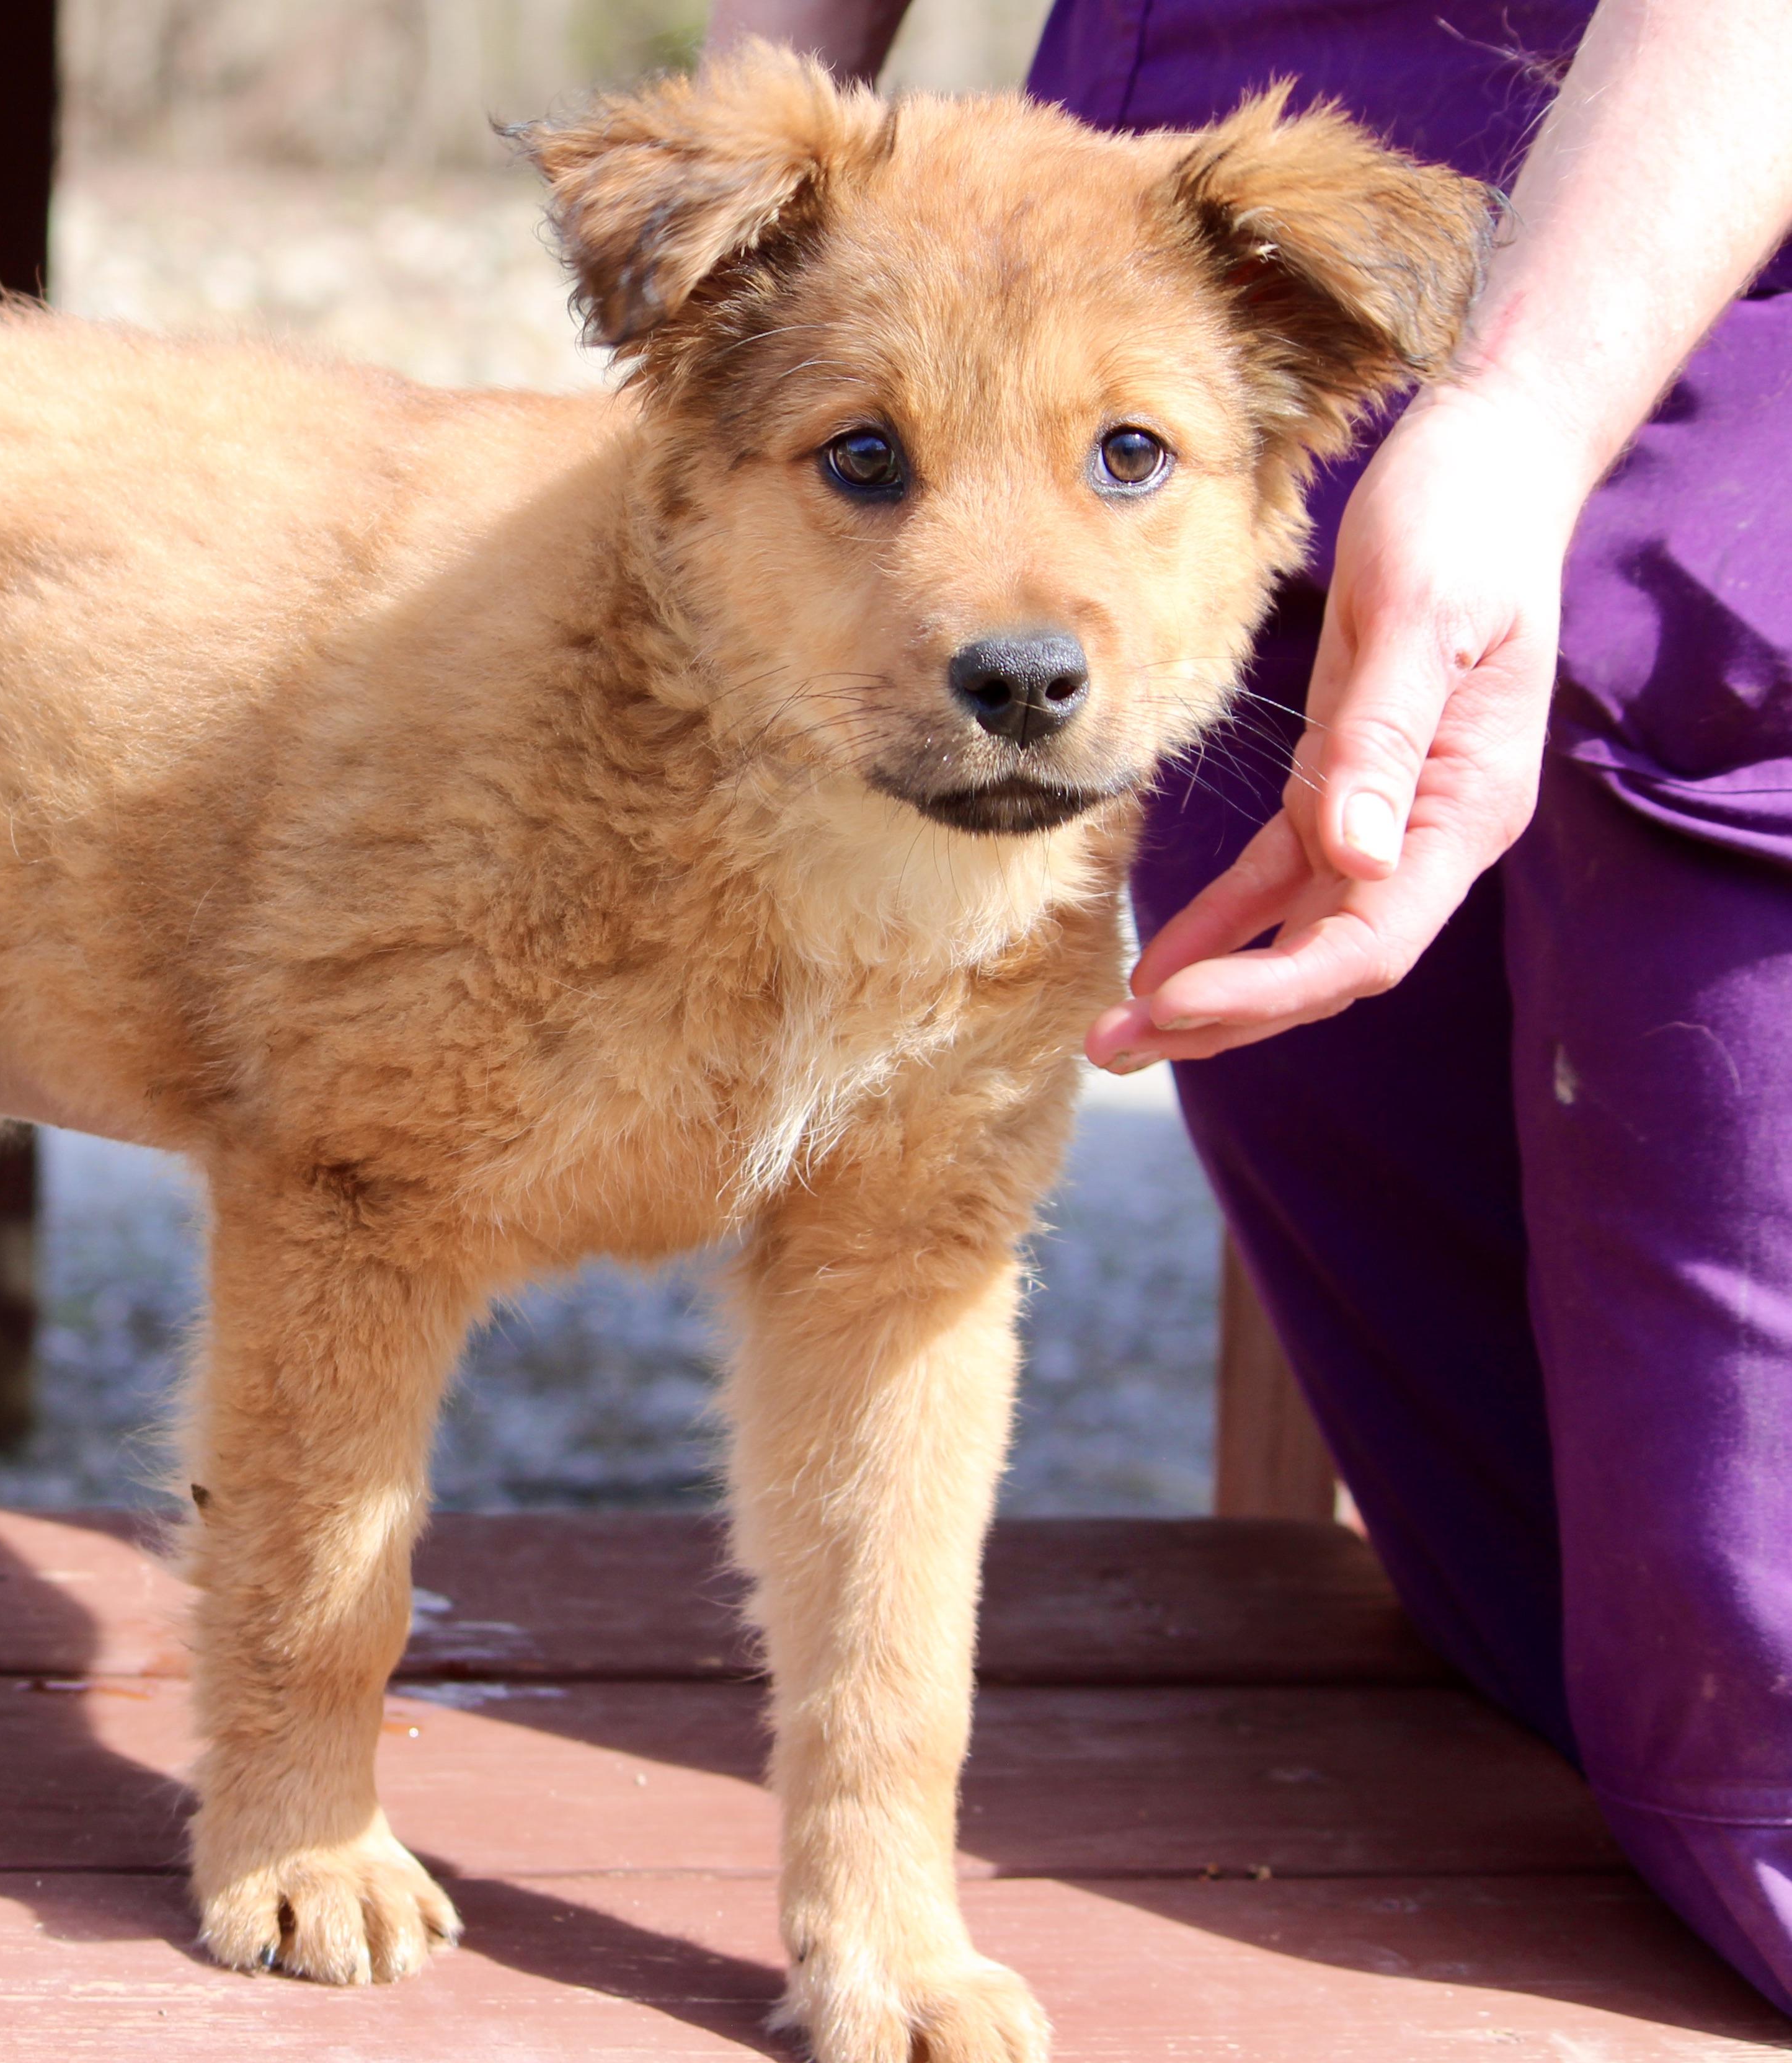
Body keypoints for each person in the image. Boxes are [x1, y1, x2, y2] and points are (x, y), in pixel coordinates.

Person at [704, 0, 1792, 2013]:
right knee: (1535, 1630)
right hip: (1209, 348)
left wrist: (1514, 418)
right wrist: (771, 202)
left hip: (1704, 306)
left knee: (1755, 1757)